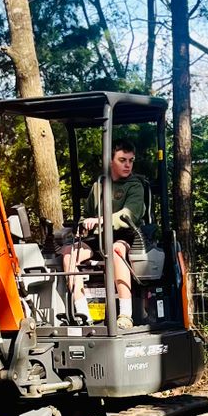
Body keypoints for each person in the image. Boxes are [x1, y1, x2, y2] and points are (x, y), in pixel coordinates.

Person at [61, 139, 146, 329]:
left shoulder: (135, 186)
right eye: (122, 160)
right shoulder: (99, 185)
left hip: (125, 234)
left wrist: (102, 220)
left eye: (131, 161)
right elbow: (86, 215)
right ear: (110, 161)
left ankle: (125, 314)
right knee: (68, 254)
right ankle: (82, 313)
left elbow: (128, 215)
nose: (127, 165)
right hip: (97, 238)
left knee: (116, 251)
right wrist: (83, 226)